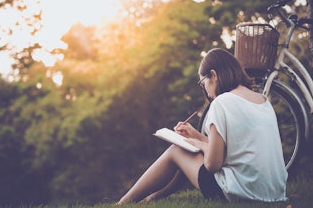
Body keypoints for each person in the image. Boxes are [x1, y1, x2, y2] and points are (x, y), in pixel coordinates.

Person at [117, 48, 287, 204]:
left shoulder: (222, 102)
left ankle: (125, 202)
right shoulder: (263, 101)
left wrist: (198, 144)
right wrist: (196, 136)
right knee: (189, 149)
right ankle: (151, 199)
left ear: (213, 75)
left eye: (203, 82)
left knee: (176, 150)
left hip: (242, 192)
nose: (205, 89)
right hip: (273, 192)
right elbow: (235, 150)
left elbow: (213, 164)